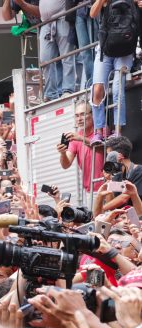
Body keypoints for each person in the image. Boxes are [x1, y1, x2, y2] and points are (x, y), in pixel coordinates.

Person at [89, 0, 136, 142]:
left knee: (117, 89)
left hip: (126, 49)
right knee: (97, 89)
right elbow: (92, 14)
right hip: (106, 49)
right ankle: (99, 131)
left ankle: (117, 132)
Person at [56, 100, 104, 193]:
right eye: (77, 116)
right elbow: (65, 165)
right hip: (90, 191)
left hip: (107, 188)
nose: (79, 119)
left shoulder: (101, 130)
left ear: (92, 115)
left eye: (83, 114)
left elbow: (102, 148)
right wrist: (62, 153)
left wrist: (81, 138)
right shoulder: (75, 139)